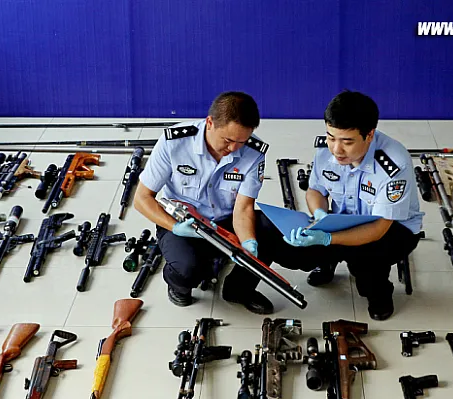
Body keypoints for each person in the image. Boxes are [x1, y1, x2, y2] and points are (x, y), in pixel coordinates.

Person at [278, 90, 424, 320]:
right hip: (342, 217)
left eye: (347, 142)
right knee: (305, 248)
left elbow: (378, 229)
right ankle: (328, 262)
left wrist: (328, 239)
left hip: (392, 228)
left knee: (365, 260)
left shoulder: (393, 164)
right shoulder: (326, 151)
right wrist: (320, 215)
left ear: (369, 135)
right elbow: (316, 190)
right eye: (331, 137)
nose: (336, 149)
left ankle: (379, 294)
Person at [134, 91, 276, 315]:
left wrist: (248, 242)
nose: (234, 149)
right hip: (182, 222)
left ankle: (237, 290)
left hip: (226, 222)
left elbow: (243, 208)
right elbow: (142, 198)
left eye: (242, 141)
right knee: (187, 269)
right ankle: (178, 285)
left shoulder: (254, 152)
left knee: (269, 231)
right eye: (228, 140)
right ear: (210, 123)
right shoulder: (175, 143)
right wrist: (174, 227)